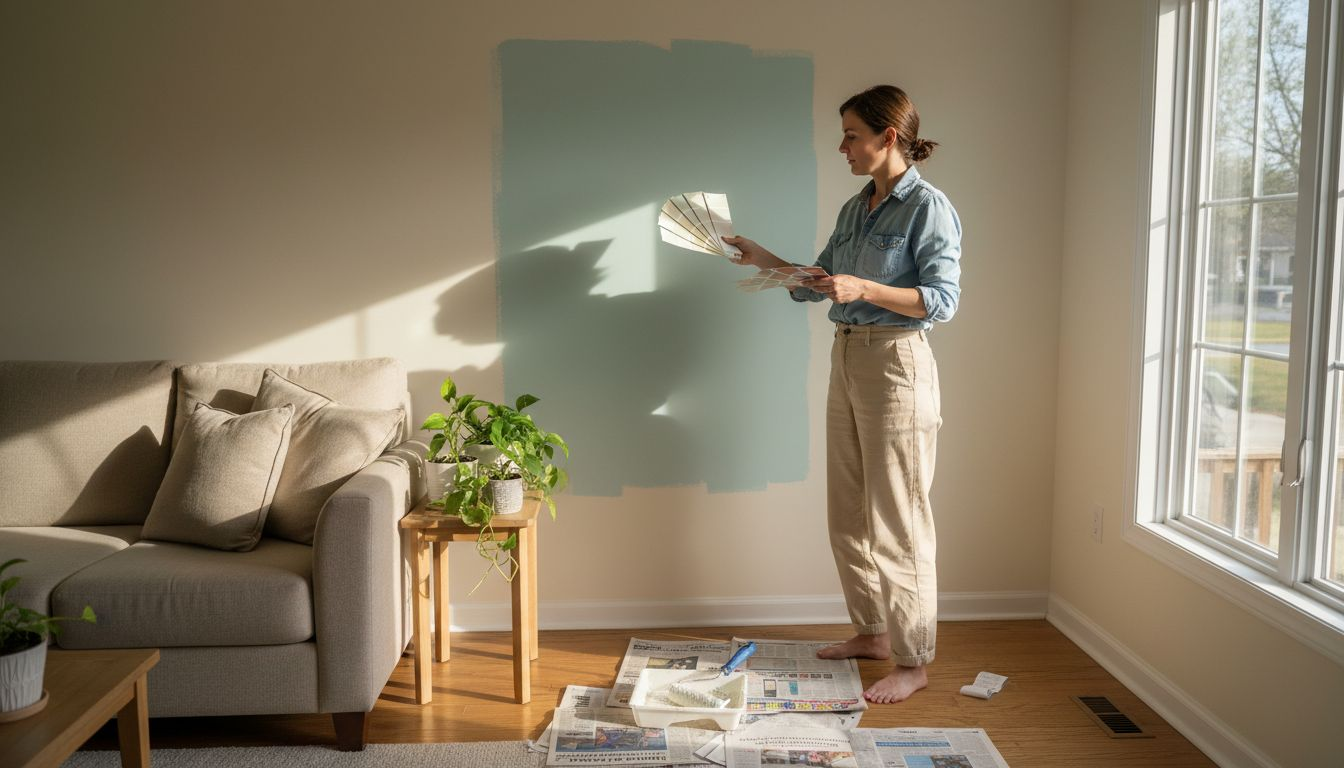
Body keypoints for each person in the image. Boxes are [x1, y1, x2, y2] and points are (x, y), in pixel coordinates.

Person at [724, 85, 961, 703]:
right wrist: (763, 259)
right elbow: (820, 283)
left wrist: (868, 289)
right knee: (848, 513)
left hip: (897, 366)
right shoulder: (857, 208)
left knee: (899, 521)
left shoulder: (927, 208)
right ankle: (872, 633)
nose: (843, 146)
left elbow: (942, 299)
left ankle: (913, 660)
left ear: (888, 138)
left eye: (852, 135)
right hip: (849, 358)